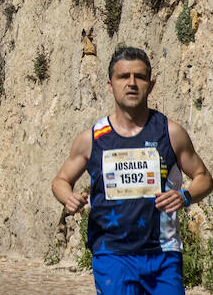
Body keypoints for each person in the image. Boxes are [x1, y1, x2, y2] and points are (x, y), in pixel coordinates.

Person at [52, 46, 213, 294]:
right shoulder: (92, 139)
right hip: (112, 254)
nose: (131, 83)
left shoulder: (170, 133)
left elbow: (204, 177)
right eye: (123, 76)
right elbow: (61, 180)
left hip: (163, 254)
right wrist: (68, 197)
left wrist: (185, 196)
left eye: (139, 76)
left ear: (151, 84)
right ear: (110, 85)